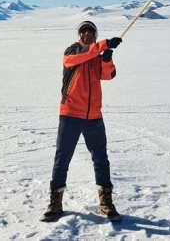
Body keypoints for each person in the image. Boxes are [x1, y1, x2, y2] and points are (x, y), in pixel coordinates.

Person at [40, 20, 123, 222]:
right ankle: (55, 204)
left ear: (94, 33)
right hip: (70, 114)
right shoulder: (72, 52)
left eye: (90, 30)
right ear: (79, 35)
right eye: (83, 30)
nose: (86, 33)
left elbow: (108, 76)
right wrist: (104, 45)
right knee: (62, 160)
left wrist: (106, 60)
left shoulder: (96, 55)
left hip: (94, 115)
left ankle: (106, 203)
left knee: (101, 160)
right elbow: (82, 56)